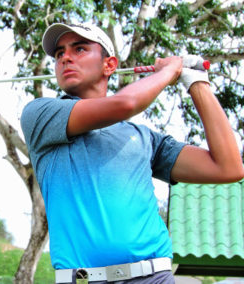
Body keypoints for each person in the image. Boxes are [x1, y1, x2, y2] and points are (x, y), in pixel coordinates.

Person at [20, 23, 244, 284]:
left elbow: (228, 167)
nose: (65, 57)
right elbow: (125, 103)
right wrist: (169, 71)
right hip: (82, 280)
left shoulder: (145, 138)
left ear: (109, 65)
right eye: (59, 54)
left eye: (79, 48)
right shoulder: (40, 115)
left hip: (154, 278)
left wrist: (196, 82)